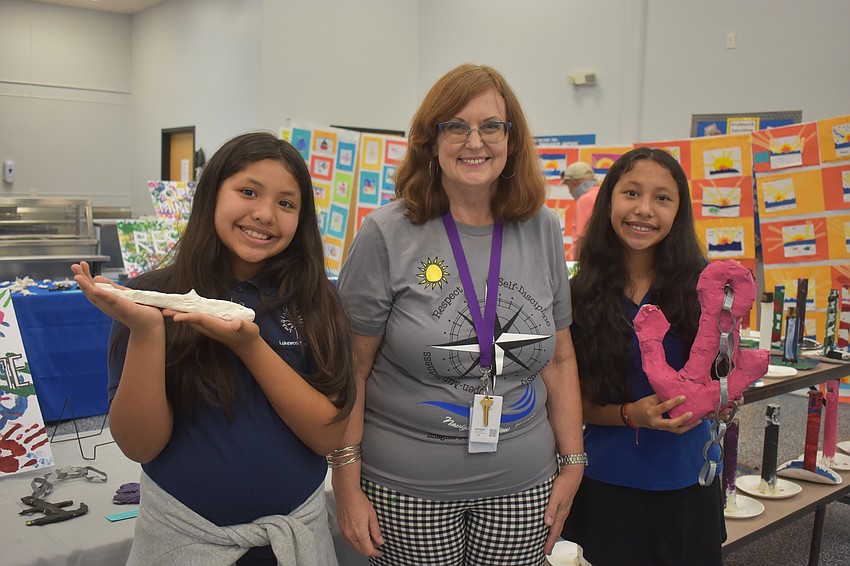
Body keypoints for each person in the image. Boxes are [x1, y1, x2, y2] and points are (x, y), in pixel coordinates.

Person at [332, 63, 585, 566]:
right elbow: (351, 370)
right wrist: (345, 482)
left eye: (491, 126)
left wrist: (573, 463)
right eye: (455, 126)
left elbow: (560, 359)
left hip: (523, 486)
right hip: (407, 489)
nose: (475, 141)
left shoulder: (541, 228)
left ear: (511, 139)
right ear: (431, 140)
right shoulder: (386, 233)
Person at [72, 131, 355, 565]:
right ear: (212, 195)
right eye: (248, 192)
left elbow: (327, 436)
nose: (265, 214)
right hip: (181, 540)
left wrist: (251, 347)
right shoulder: (151, 297)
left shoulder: (318, 301)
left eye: (286, 203)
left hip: (296, 538)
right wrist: (147, 332)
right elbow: (140, 446)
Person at [561, 147, 726, 565]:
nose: (645, 209)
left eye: (662, 198)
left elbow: (724, 377)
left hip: (689, 477)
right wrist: (631, 414)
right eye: (631, 193)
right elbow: (567, 401)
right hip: (610, 481)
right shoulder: (579, 295)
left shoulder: (704, 288)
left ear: (679, 210)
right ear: (608, 201)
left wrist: (723, 396)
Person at [560, 161, 599, 257]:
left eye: (568, 186)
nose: (570, 191)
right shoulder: (605, 194)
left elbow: (582, 238)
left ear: (574, 182)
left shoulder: (585, 200)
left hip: (590, 260)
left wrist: (575, 264)